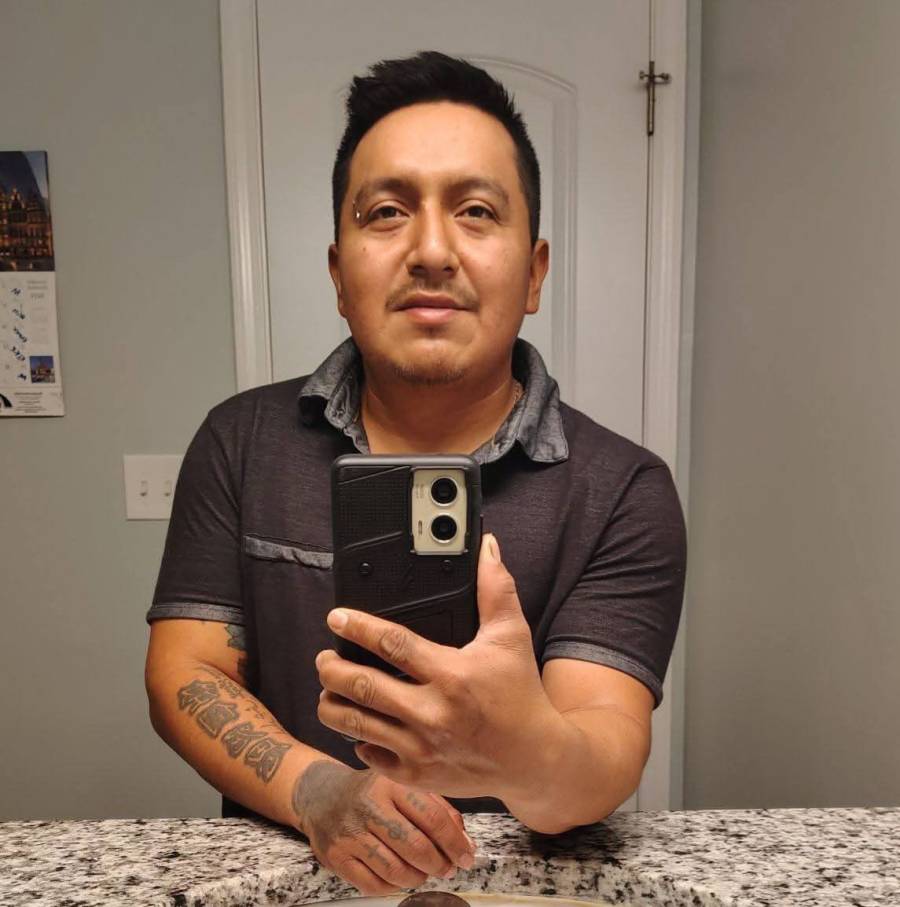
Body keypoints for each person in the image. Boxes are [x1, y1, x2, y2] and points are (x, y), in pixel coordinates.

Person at [145, 51, 686, 896]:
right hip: (292, 875)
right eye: (388, 212)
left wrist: (523, 747)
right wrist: (316, 789)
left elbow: (606, 749)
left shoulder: (622, 490)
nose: (432, 251)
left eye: (476, 211)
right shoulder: (240, 442)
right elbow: (186, 672)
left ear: (534, 272)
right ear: (338, 274)